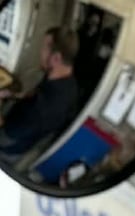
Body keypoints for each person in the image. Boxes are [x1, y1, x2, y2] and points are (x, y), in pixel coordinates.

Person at [0, 27, 80, 159]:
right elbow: (35, 94)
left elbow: (9, 132)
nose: (40, 53)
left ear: (56, 58)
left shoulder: (44, 109)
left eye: (44, 48)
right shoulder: (66, 80)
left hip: (9, 144)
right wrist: (14, 95)